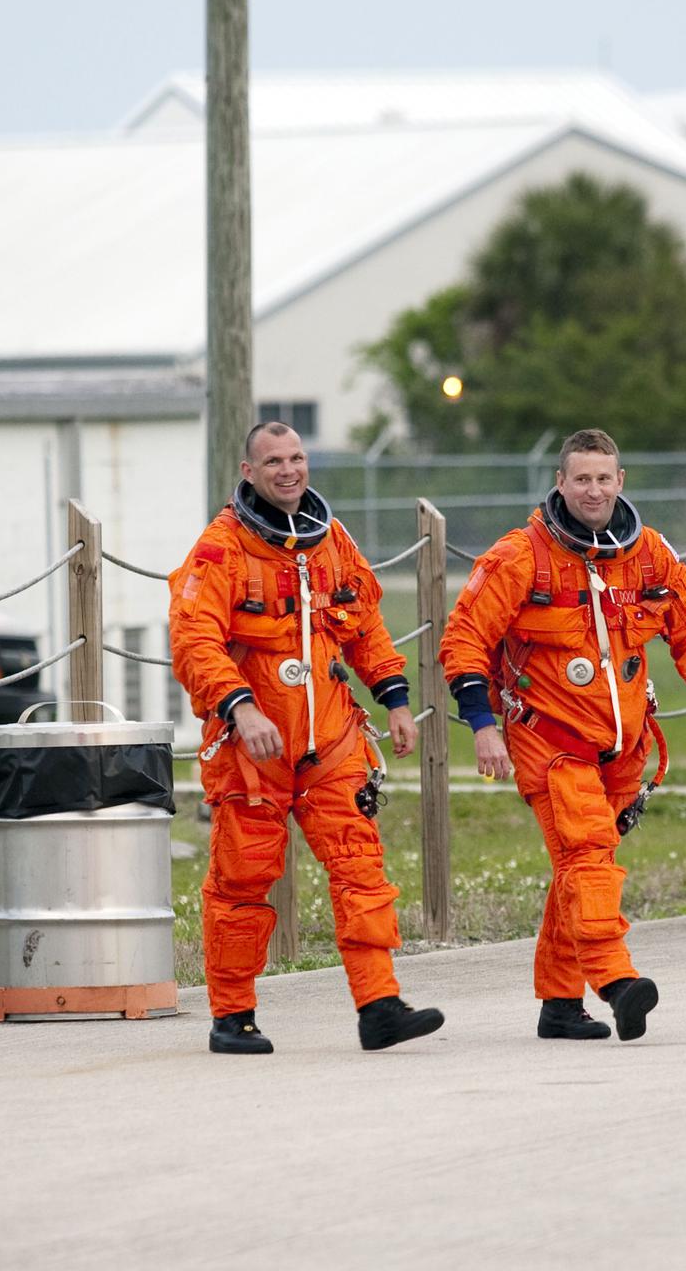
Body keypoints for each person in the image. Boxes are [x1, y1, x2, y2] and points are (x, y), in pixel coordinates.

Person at [439, 429, 686, 1043]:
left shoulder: (649, 555)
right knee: (586, 854)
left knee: (581, 869)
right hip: (548, 741)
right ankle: (616, 982)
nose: (594, 490)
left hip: (623, 749)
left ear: (620, 481)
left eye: (604, 478)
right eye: (582, 479)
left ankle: (559, 1006)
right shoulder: (521, 557)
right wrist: (482, 725)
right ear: (560, 482)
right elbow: (464, 639)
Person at [169, 422, 444, 1055]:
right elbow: (194, 641)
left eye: (296, 458)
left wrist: (396, 700)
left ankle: (380, 1006)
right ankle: (231, 1015)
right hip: (252, 749)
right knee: (242, 880)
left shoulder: (332, 541)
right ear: (248, 471)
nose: (288, 470)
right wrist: (240, 707)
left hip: (332, 741)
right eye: (273, 461)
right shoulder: (221, 550)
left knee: (361, 869)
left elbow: (366, 627)